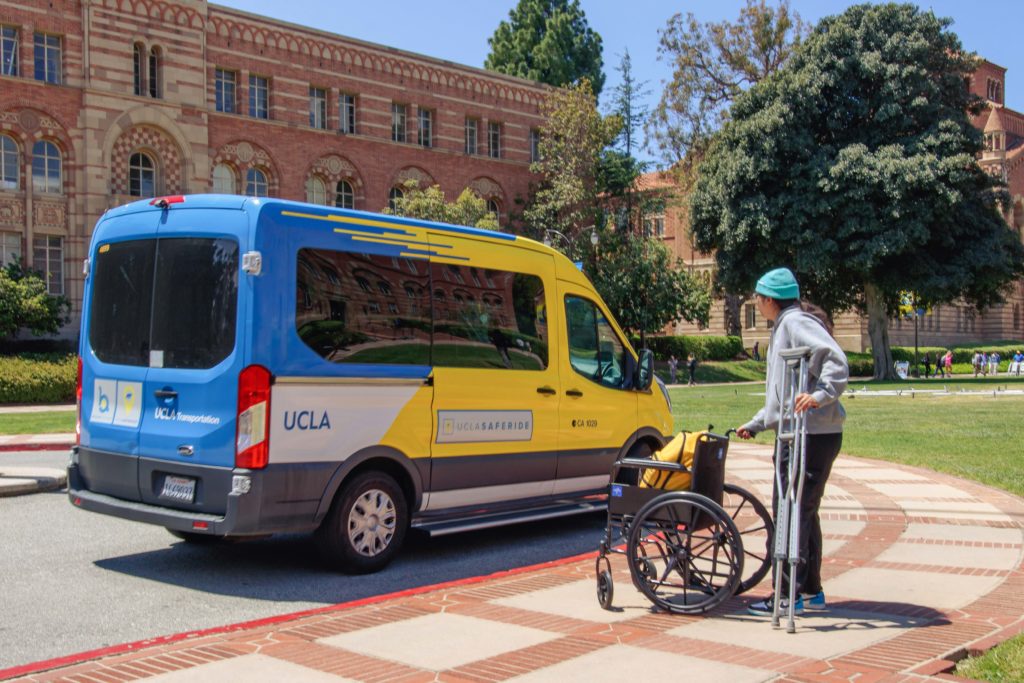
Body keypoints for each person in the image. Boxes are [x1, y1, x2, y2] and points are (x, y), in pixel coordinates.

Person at [736, 267, 848, 617]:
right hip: (811, 433)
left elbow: (835, 359)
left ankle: (787, 594)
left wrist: (820, 395)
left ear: (769, 300)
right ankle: (811, 589)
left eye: (758, 297)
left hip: (807, 436)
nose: (757, 303)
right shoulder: (787, 325)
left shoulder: (793, 323)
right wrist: (756, 424)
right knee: (804, 510)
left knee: (790, 510)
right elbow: (782, 395)